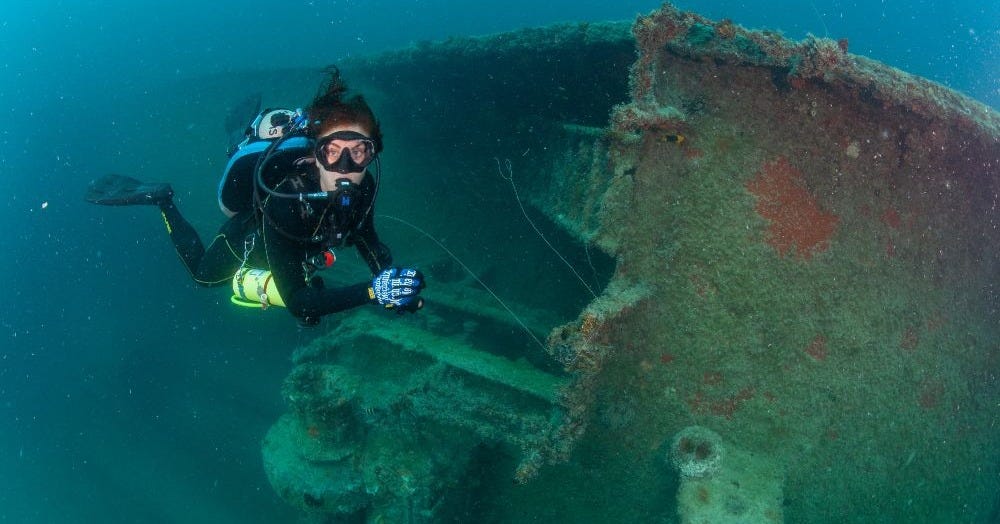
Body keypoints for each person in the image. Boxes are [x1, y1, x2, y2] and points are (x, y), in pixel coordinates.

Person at [86, 67, 425, 327]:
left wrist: (393, 284)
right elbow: (300, 303)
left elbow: (366, 237)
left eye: (359, 152)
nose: (346, 167)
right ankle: (162, 199)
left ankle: (240, 138)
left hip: (306, 244)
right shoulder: (284, 199)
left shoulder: (364, 186)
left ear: (373, 154)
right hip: (253, 233)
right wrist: (373, 291)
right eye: (333, 152)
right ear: (315, 154)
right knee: (205, 277)